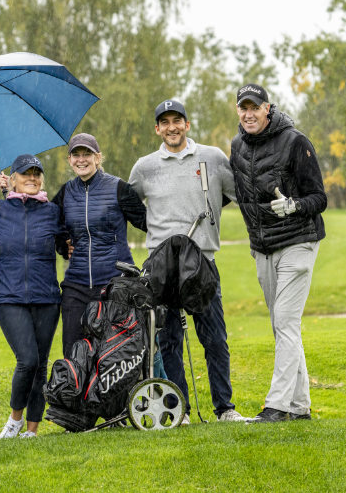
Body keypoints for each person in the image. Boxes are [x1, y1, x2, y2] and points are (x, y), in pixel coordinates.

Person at [129, 99, 244, 423]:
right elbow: (130, 202)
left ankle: (225, 408)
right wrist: (154, 226)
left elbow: (234, 194)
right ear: (157, 129)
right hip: (162, 266)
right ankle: (180, 411)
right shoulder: (145, 167)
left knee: (215, 339)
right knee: (169, 342)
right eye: (164, 122)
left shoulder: (212, 157)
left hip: (202, 262)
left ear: (187, 124)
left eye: (176, 120)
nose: (171, 127)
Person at [229, 83, 327, 423]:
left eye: (255, 107)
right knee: (283, 325)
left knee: (285, 321)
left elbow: (320, 198)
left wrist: (294, 205)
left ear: (268, 109)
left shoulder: (295, 142)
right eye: (243, 107)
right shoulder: (237, 145)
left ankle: (278, 406)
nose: (248, 113)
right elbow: (240, 194)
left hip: (299, 240)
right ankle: (299, 407)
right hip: (263, 248)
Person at [0, 154, 62, 439]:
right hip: (8, 296)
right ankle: (14, 420)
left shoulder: (52, 211)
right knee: (27, 359)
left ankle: (33, 430)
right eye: (26, 174)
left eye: (37, 174)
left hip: (47, 296)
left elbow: (65, 243)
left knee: (41, 363)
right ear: (12, 179)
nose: (33, 178)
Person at [49, 133, 148, 358]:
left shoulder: (118, 188)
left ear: (98, 157)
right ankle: (76, 393)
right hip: (77, 285)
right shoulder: (66, 192)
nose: (81, 160)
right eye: (76, 155)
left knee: (115, 352)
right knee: (74, 353)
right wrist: (63, 247)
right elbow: (50, 224)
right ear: (69, 160)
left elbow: (148, 223)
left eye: (87, 154)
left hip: (114, 283)